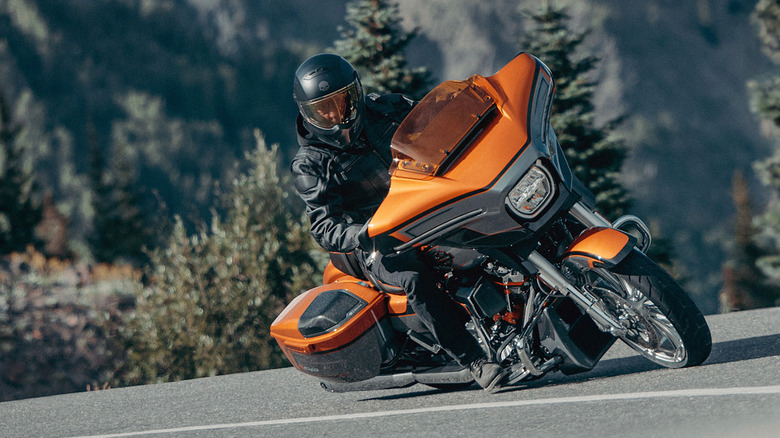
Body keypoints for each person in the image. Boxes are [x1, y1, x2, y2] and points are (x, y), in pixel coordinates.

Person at [289, 53, 507, 391]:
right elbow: (323, 227)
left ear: (356, 94)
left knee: (484, 229)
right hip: (371, 241)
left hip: (419, 209)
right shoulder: (310, 165)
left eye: (342, 103)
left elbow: (440, 123)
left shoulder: (387, 109)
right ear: (309, 113)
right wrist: (366, 233)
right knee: (413, 277)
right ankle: (474, 361)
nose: (335, 116)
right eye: (324, 109)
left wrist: (475, 102)